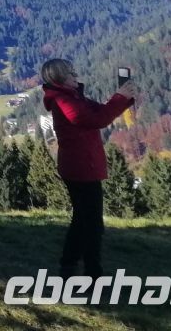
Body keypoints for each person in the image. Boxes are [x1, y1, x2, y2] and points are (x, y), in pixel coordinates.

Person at [40, 57, 137, 279]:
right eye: (71, 73)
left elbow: (101, 111)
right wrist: (121, 97)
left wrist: (123, 98)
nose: (76, 76)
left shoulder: (72, 98)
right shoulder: (65, 102)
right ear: (61, 79)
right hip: (82, 168)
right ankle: (93, 274)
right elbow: (98, 119)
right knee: (92, 225)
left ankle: (69, 266)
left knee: (82, 220)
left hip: (79, 165)